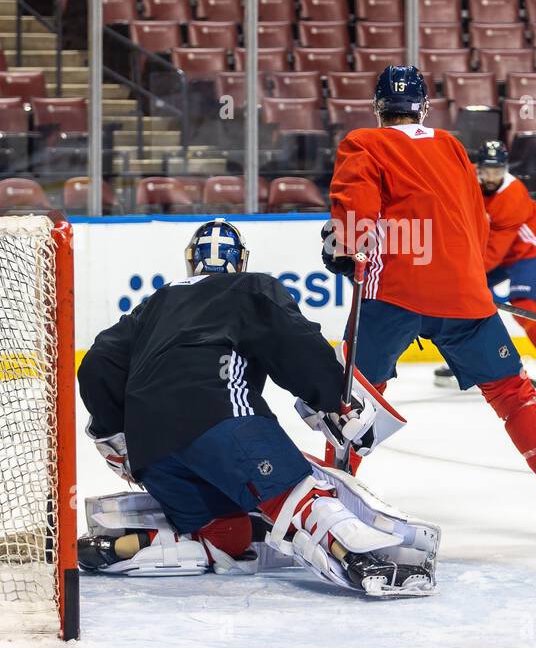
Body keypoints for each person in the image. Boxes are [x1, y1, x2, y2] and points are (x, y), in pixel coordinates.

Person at [75, 218, 437, 596]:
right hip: (220, 420)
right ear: (241, 260)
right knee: (300, 496)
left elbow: (96, 364)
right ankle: (362, 560)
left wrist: (113, 432)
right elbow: (294, 343)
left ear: (190, 260)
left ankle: (129, 545)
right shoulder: (251, 287)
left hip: (151, 449)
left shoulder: (153, 303)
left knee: (228, 538)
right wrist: (334, 399)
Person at [323, 65, 536, 539]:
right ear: (424, 107)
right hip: (465, 295)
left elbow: (354, 215)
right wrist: (466, 274)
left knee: (353, 396)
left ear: (378, 108)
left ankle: (329, 497)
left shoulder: (363, 143)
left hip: (394, 293)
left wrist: (343, 252)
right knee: (513, 393)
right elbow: (476, 220)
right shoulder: (450, 144)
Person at [434, 140, 536, 393]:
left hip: (530, 251)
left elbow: (492, 255)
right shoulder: (467, 178)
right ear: (477, 168)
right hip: (498, 252)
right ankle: (465, 360)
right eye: (487, 170)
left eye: (498, 171)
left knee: (525, 305)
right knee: (457, 300)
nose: (492, 177)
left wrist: (458, 273)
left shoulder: (512, 195)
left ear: (506, 169)